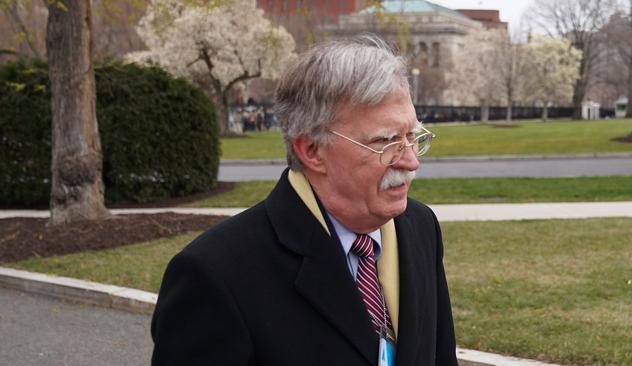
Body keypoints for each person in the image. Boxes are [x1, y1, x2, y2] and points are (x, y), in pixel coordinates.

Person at [151, 34, 458, 366]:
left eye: (413, 137)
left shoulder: (419, 226)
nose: (411, 161)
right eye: (386, 142)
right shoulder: (214, 273)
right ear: (312, 150)